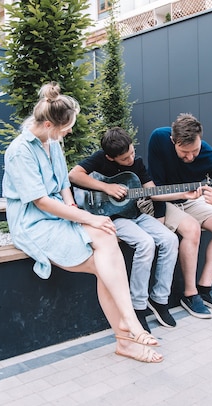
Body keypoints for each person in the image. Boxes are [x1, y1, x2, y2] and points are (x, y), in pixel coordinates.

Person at [2, 82, 163, 363]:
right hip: (33, 222)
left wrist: (76, 209)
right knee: (106, 263)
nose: (70, 131)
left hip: (60, 213)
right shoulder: (19, 151)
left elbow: (64, 184)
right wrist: (87, 217)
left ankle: (127, 334)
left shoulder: (52, 142)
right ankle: (129, 328)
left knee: (107, 235)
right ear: (50, 123)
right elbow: (40, 201)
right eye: (67, 127)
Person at [69, 127, 179, 333]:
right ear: (111, 158)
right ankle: (137, 306)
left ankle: (160, 299)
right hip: (112, 218)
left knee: (170, 239)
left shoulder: (136, 162)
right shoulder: (101, 158)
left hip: (135, 214)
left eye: (132, 153)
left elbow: (153, 192)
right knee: (145, 244)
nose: (131, 159)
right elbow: (74, 175)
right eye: (125, 158)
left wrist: (184, 194)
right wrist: (106, 188)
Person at [147, 113, 212, 319]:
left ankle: (205, 289)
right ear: (173, 141)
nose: (190, 157)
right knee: (192, 228)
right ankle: (189, 294)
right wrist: (159, 221)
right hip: (162, 200)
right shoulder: (159, 138)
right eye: (184, 152)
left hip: (189, 201)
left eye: (195, 150)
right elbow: (155, 190)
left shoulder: (210, 155)